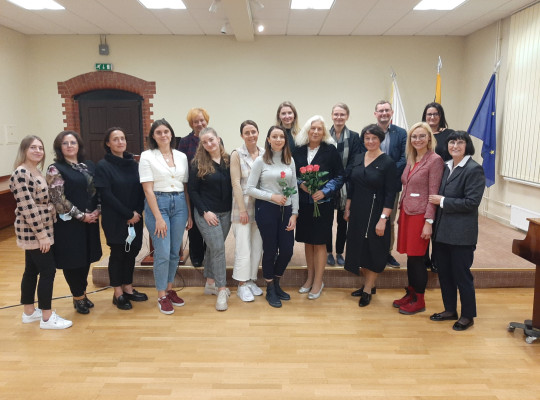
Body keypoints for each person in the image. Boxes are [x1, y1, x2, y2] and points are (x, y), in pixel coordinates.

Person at [10, 136, 72, 329]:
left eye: (40, 148)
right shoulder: (21, 173)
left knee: (31, 270)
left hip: (43, 227)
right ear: (24, 150)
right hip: (34, 230)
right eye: (33, 147)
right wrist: (42, 235)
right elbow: (27, 207)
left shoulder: (35, 171)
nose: (38, 151)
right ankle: (47, 317)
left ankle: (29, 312)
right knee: (48, 271)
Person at [429, 131, 485, 331]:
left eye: (460, 142)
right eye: (452, 142)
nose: (455, 146)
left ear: (467, 146)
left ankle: (468, 315)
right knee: (445, 274)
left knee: (462, 276)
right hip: (442, 232)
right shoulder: (445, 166)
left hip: (461, 235)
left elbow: (471, 203)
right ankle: (450, 310)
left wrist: (443, 201)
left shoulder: (474, 169)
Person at [46, 131, 102, 315]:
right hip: (69, 224)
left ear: (79, 145)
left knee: (86, 257)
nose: (69, 146)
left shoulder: (88, 166)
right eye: (65, 143)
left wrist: (97, 210)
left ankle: (82, 293)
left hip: (90, 220)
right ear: (59, 147)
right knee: (73, 260)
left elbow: (97, 190)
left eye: (73, 142)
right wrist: (81, 216)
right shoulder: (55, 169)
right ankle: (77, 296)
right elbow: (58, 199)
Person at [139, 119, 191, 315]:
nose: (163, 135)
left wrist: (188, 212)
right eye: (158, 132)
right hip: (158, 202)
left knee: (174, 252)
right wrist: (158, 218)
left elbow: (185, 186)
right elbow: (147, 189)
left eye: (166, 131)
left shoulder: (181, 156)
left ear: (171, 134)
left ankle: (169, 290)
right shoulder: (147, 156)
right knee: (162, 252)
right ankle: (161, 295)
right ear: (153, 136)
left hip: (179, 204)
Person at [393, 122, 444, 315]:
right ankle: (411, 292)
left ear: (429, 138)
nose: (418, 139)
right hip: (407, 213)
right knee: (410, 257)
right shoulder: (412, 158)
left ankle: (419, 300)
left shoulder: (435, 160)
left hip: (421, 216)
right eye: (414, 136)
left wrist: (428, 222)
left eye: (422, 136)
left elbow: (433, 194)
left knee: (417, 258)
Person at [95, 127, 147, 311]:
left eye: (122, 138)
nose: (120, 142)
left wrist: (137, 212)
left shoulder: (133, 164)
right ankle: (117, 293)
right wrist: (128, 214)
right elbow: (106, 195)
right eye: (115, 139)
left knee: (132, 252)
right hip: (116, 219)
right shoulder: (103, 166)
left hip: (135, 218)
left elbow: (142, 190)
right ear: (108, 143)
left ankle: (128, 288)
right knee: (118, 254)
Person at [246, 126, 299, 308]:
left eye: (281, 136)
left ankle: (276, 282)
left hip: (286, 209)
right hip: (267, 209)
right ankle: (270, 287)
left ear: (285, 140)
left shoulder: (289, 160)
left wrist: (295, 213)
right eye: (274, 136)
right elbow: (250, 189)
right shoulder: (260, 161)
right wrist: (272, 196)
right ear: (268, 139)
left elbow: (294, 187)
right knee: (270, 249)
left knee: (287, 250)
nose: (278, 139)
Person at [344, 125, 396, 307]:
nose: (370, 141)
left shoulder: (388, 162)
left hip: (376, 211)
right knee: (360, 248)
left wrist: (383, 219)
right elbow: (351, 186)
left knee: (373, 249)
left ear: (380, 139)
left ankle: (367, 289)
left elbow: (391, 194)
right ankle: (369, 284)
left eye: (374, 138)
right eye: (367, 138)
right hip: (358, 210)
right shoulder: (358, 158)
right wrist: (347, 208)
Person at [293, 116, 344, 300]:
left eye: (319, 129)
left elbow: (340, 176)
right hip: (304, 203)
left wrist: (324, 191)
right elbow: (293, 173)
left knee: (320, 242)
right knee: (308, 241)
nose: (315, 132)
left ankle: (318, 281)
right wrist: (301, 183)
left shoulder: (330, 150)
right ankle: (310, 278)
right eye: (312, 128)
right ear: (307, 130)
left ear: (324, 132)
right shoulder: (298, 150)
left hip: (323, 204)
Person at [188, 127, 232, 311]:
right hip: (206, 214)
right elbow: (192, 191)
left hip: (226, 213)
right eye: (204, 142)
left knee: (214, 248)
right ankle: (221, 289)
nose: (209, 144)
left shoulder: (229, 160)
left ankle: (210, 283)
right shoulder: (198, 163)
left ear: (218, 139)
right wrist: (205, 211)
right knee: (219, 249)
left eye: (211, 140)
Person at [230, 120, 265, 302]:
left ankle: (251, 279)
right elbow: (236, 183)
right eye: (247, 132)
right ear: (242, 135)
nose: (251, 135)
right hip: (242, 206)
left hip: (261, 206)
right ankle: (241, 284)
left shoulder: (265, 153)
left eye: (253, 131)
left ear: (258, 133)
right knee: (243, 247)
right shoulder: (237, 154)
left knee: (257, 246)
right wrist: (242, 210)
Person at [325, 103, 362, 266]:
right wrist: (333, 180)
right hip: (328, 183)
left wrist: (342, 177)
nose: (339, 117)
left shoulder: (354, 136)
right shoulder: (324, 135)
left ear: (347, 116)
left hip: (347, 184)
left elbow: (355, 160)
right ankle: (328, 252)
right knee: (327, 221)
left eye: (342, 114)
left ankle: (340, 252)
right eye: (336, 114)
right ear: (332, 116)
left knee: (343, 221)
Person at [421, 102, 455, 273]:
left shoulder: (449, 134)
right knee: (423, 221)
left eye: (435, 114)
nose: (432, 117)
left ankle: (436, 260)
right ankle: (423, 258)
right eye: (429, 114)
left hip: (442, 182)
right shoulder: (421, 133)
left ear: (440, 116)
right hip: (423, 183)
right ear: (425, 116)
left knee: (437, 223)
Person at [373, 100, 407, 268]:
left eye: (387, 110)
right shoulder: (369, 131)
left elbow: (404, 157)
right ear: (375, 114)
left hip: (392, 183)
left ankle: (387, 253)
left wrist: (387, 172)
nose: (384, 113)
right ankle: (371, 250)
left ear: (392, 113)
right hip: (372, 183)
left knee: (389, 220)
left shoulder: (401, 133)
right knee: (372, 218)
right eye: (380, 111)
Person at [177, 108, 210, 267]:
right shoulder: (185, 142)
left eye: (202, 120)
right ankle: (196, 255)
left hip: (210, 189)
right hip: (192, 188)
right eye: (195, 121)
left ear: (207, 121)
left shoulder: (215, 139)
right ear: (191, 124)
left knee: (210, 222)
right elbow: (181, 166)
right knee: (194, 223)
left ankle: (209, 253)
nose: (199, 123)